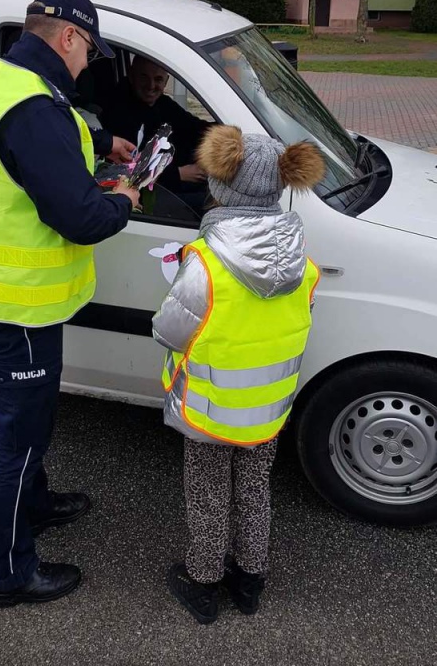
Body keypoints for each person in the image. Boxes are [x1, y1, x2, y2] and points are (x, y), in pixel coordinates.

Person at [0, 0, 140, 608]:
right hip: (19, 308)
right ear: (68, 38)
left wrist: (102, 139)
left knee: (29, 426)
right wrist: (124, 201)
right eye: (89, 50)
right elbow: (82, 218)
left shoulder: (3, 82)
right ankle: (6, 574)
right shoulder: (33, 108)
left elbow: (43, 149)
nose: (88, 63)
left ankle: (35, 503)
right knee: (18, 438)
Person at [152, 126, 325, 625]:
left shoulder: (205, 263)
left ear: (220, 186)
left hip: (210, 409)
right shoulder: (303, 265)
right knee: (254, 491)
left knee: (208, 495)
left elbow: (169, 332)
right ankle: (250, 582)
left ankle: (203, 585)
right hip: (268, 410)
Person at [101, 56, 211, 201]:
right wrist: (179, 174)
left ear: (166, 81)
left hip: (174, 181)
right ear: (132, 75)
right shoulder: (118, 112)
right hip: (145, 195)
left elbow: (194, 127)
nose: (151, 85)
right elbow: (130, 166)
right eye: (144, 77)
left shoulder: (163, 104)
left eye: (158, 79)